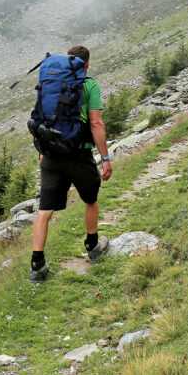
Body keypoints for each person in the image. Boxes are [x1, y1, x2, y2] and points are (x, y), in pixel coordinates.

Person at [30, 45, 113, 284]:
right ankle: (93, 246)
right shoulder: (89, 85)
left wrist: (43, 151)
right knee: (90, 199)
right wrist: (105, 158)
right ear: (86, 65)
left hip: (51, 154)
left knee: (45, 210)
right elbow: (96, 124)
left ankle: (37, 265)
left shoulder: (52, 82)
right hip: (78, 154)